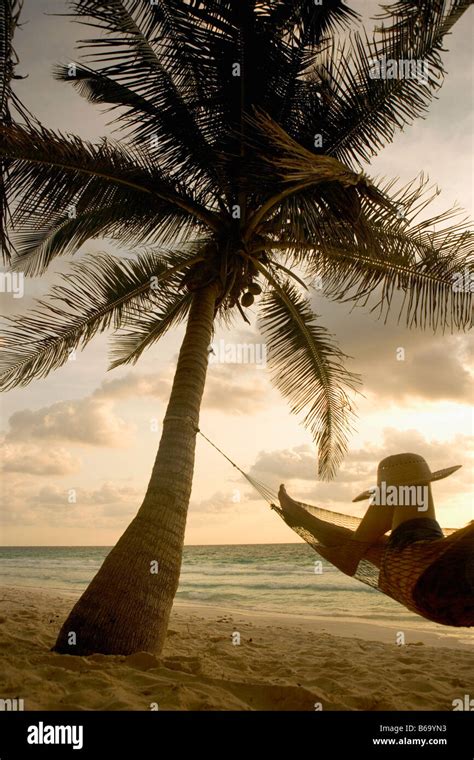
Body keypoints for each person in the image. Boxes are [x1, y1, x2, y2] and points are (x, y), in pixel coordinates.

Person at [277, 453, 474, 627]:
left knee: (405, 468)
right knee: (378, 540)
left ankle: (344, 548)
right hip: (441, 595)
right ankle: (312, 525)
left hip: (431, 579)